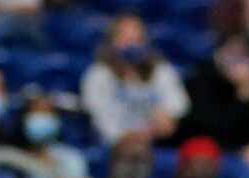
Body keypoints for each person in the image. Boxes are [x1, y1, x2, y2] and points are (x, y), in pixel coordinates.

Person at [78, 13, 185, 154]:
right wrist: (126, 136)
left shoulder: (162, 71)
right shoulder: (98, 75)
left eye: (137, 39)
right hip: (112, 147)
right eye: (125, 39)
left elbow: (177, 106)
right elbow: (97, 115)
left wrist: (167, 118)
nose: (131, 45)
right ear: (111, 42)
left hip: (156, 144)